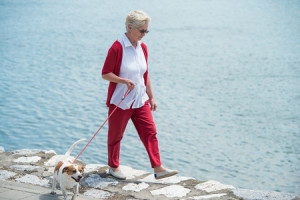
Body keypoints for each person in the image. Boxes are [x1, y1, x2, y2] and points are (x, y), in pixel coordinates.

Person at [101, 10, 178, 180]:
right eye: (141, 31)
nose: (144, 34)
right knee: (116, 136)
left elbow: (145, 74)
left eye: (146, 31)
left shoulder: (142, 47)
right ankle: (113, 167)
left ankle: (158, 168)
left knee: (150, 132)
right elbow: (105, 74)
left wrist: (151, 97)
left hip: (140, 99)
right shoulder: (117, 48)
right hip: (120, 101)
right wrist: (123, 80)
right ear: (130, 27)